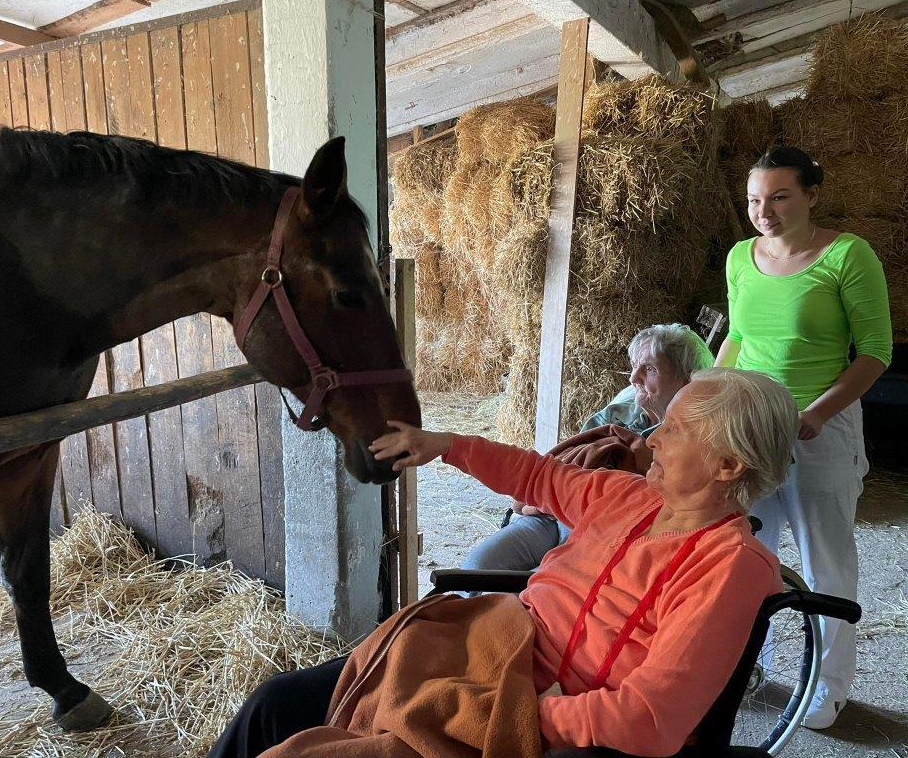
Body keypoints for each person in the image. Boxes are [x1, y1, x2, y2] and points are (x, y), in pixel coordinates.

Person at [207, 368, 799, 758]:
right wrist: (446, 446)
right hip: (491, 648)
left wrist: (524, 715)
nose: (651, 438)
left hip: (550, 710)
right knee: (272, 706)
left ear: (728, 466)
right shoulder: (628, 494)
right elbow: (536, 476)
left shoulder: (730, 567)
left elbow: (650, 718)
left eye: (675, 429)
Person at [716, 144, 892, 729]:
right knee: (747, 555)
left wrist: (815, 414)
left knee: (824, 562)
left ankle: (826, 687)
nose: (763, 212)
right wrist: (709, 396)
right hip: (751, 425)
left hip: (821, 428)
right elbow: (738, 338)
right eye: (753, 200)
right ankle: (749, 667)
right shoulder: (740, 257)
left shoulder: (847, 256)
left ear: (812, 196)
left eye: (779, 197)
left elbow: (875, 353)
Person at [461, 323, 714, 573]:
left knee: (540, 583)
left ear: (686, 380)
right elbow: (571, 461)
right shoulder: (617, 414)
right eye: (635, 366)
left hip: (603, 532)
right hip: (552, 516)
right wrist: (536, 504)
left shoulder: (693, 441)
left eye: (649, 369)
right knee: (478, 565)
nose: (633, 378)